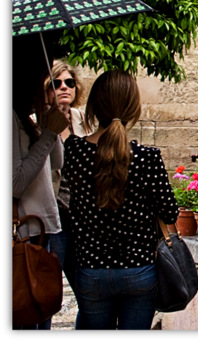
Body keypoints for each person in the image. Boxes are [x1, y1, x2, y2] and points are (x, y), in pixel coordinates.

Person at [63, 70, 178, 330]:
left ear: (94, 106)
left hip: (91, 268)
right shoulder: (148, 158)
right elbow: (170, 212)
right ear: (133, 108)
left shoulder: (75, 152)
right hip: (138, 268)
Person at [12, 38, 70, 330]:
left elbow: (56, 162)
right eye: (46, 81)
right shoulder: (10, 118)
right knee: (26, 312)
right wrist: (48, 134)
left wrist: (52, 125)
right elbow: (15, 183)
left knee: (42, 308)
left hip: (42, 227)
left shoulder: (27, 117)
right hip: (23, 231)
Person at [42, 60, 92, 287]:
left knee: (83, 279)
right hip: (55, 212)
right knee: (51, 278)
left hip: (82, 213)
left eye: (69, 83)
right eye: (57, 83)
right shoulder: (39, 121)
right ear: (47, 89)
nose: (64, 87)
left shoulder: (82, 118)